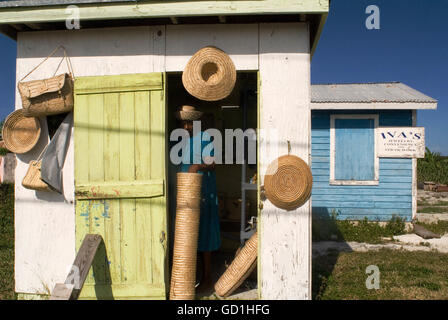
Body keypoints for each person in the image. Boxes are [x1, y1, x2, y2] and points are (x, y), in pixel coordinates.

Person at [175, 105, 221, 293]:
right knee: (188, 234)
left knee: (204, 234)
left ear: (196, 122)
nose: (186, 127)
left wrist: (198, 165)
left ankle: (207, 277)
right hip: (187, 192)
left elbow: (213, 164)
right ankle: (188, 277)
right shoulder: (183, 140)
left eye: (189, 123)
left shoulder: (205, 138)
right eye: (183, 123)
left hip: (204, 192)